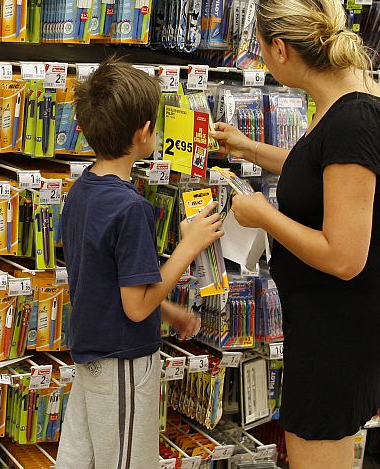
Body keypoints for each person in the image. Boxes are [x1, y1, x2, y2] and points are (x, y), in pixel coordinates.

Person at [212, 0, 380, 469]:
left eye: (259, 49)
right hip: (338, 325)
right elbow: (327, 173)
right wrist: (252, 149)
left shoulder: (353, 123)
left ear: (280, 49)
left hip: (337, 334)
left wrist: (264, 216)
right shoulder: (359, 96)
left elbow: (344, 258)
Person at [55, 59, 224, 469]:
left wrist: (169, 311)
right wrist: (189, 246)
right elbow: (134, 307)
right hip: (124, 366)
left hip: (92, 359)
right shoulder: (132, 209)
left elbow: (107, 280)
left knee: (79, 460)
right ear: (144, 132)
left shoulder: (81, 192)